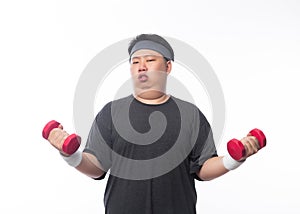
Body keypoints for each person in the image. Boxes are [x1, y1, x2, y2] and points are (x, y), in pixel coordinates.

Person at [47, 34, 261, 214]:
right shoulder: (111, 113)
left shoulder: (191, 115)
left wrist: (234, 159)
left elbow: (203, 168)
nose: (141, 67)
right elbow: (96, 167)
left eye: (149, 60)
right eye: (135, 61)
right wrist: (70, 155)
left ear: (167, 67)